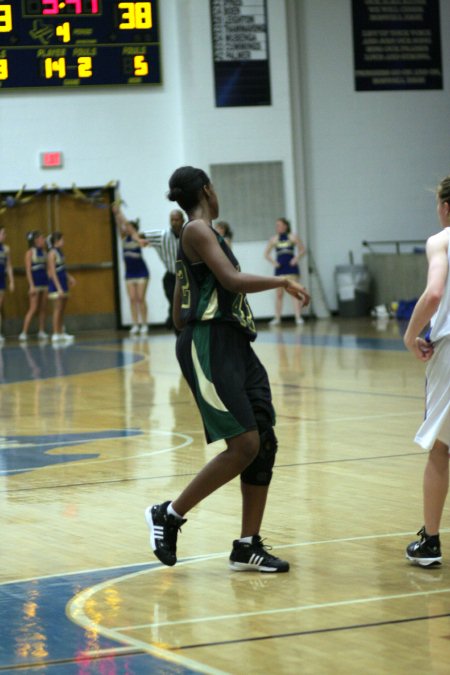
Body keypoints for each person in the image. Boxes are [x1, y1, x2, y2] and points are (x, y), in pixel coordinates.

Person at [145, 166, 310, 573]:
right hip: (212, 344)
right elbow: (232, 281)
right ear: (207, 189)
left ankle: (247, 545)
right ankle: (169, 513)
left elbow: (179, 311)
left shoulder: (201, 236)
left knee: (263, 441)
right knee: (244, 445)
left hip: (234, 343)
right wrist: (281, 281)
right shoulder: (197, 230)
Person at [403, 175, 450, 567]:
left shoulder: (441, 239)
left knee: (442, 446)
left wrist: (410, 333)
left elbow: (434, 293)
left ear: (445, 208)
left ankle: (431, 542)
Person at [142, 210, 184, 330]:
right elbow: (140, 235)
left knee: (184, 305)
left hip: (186, 277)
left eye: (177, 220)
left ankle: (173, 321)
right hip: (171, 276)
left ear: (183, 220)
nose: (174, 222)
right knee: (174, 303)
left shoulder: (188, 233)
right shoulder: (162, 235)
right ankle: (174, 323)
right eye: (172, 220)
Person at [112, 203, 150, 335]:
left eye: (129, 228)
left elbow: (127, 225)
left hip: (141, 272)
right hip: (130, 273)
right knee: (132, 299)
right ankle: (135, 324)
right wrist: (116, 214)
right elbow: (119, 225)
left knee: (140, 298)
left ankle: (144, 324)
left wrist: (120, 212)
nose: (126, 229)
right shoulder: (124, 238)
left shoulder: (137, 237)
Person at [264, 217, 306, 325]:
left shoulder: (292, 237)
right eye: (276, 225)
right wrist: (274, 263)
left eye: (279, 225)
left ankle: (298, 317)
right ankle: (277, 318)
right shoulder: (274, 239)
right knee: (279, 294)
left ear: (285, 226)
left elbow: (302, 249)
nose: (277, 227)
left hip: (291, 269)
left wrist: (296, 259)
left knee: (294, 293)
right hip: (280, 269)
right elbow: (266, 254)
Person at [19, 230, 49, 341]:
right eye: (42, 238)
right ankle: (24, 332)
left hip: (44, 282)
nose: (44, 240)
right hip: (35, 283)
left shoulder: (45, 252)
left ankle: (41, 331)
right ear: (36, 240)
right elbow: (28, 270)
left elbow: (46, 268)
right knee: (33, 308)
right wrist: (31, 285)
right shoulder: (30, 253)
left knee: (43, 308)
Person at [47, 232, 76, 343]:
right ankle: (55, 333)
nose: (63, 242)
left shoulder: (60, 252)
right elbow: (53, 272)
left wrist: (70, 278)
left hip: (63, 281)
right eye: (62, 240)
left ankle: (61, 331)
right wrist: (58, 287)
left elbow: (62, 268)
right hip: (56, 283)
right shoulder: (52, 254)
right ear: (56, 241)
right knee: (57, 308)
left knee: (62, 309)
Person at [0, 225, 15, 344]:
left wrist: (11, 281)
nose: (5, 236)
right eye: (3, 233)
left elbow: (8, 266)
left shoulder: (6, 249)